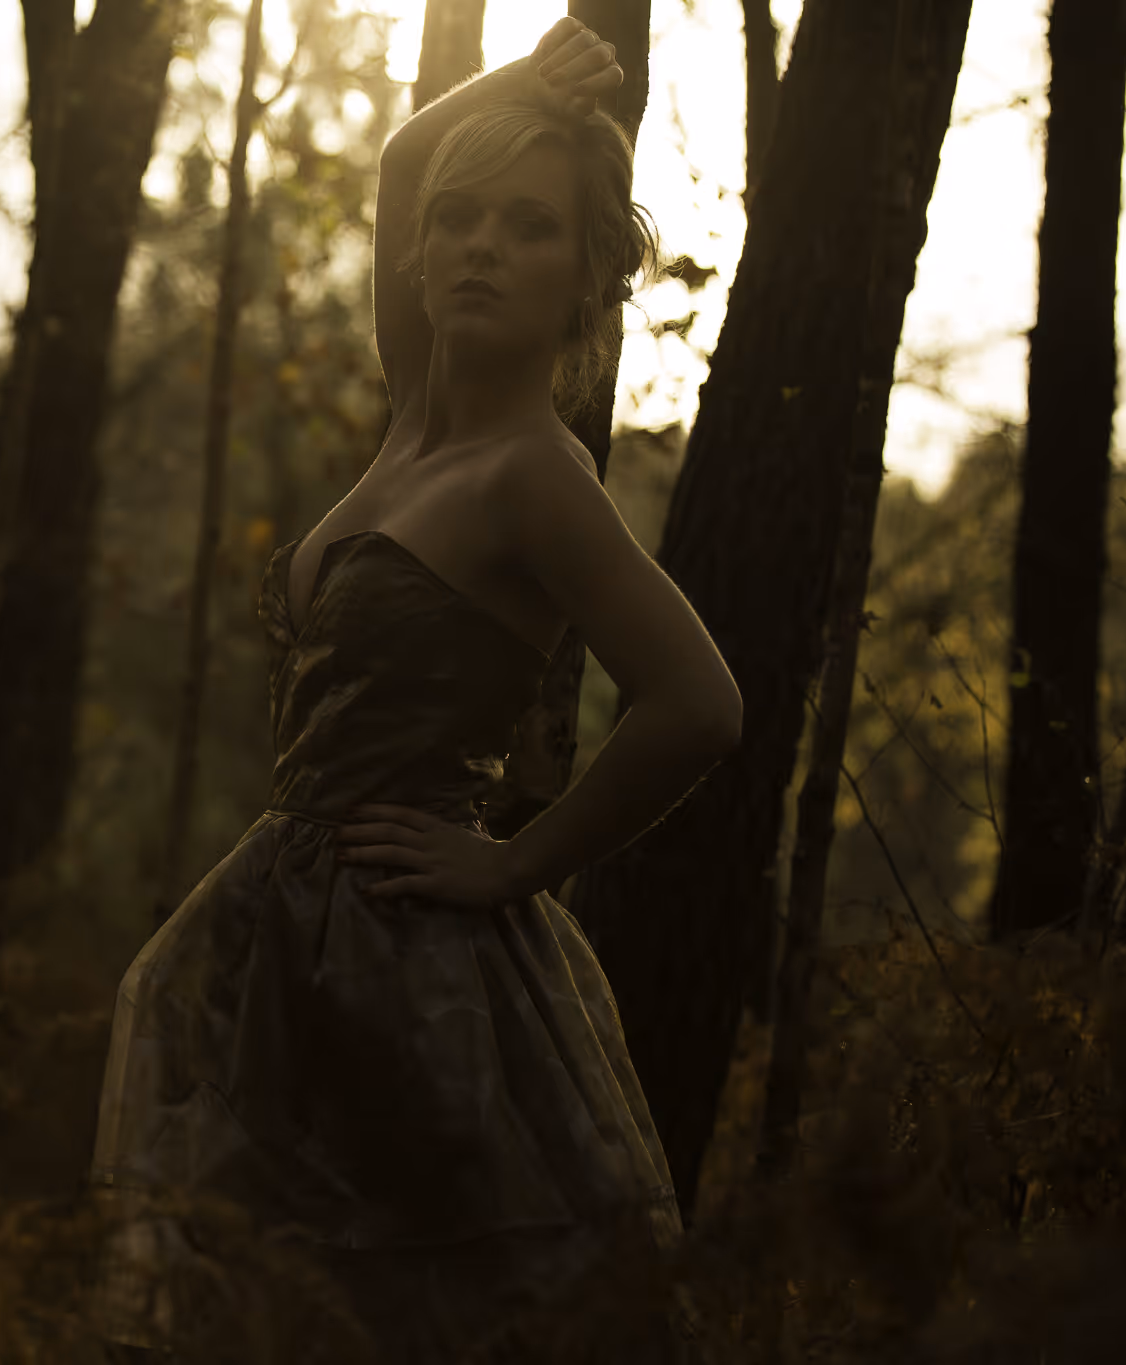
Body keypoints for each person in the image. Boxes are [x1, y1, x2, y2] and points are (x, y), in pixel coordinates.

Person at [88, 15, 740, 1363]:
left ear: (581, 283)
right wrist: (522, 78)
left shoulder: (535, 477)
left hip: (413, 952)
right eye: (462, 224)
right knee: (267, 1302)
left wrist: (517, 867)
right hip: (280, 924)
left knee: (411, 1307)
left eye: (530, 227)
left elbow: (700, 704)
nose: (481, 247)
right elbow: (398, 165)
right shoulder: (411, 408)